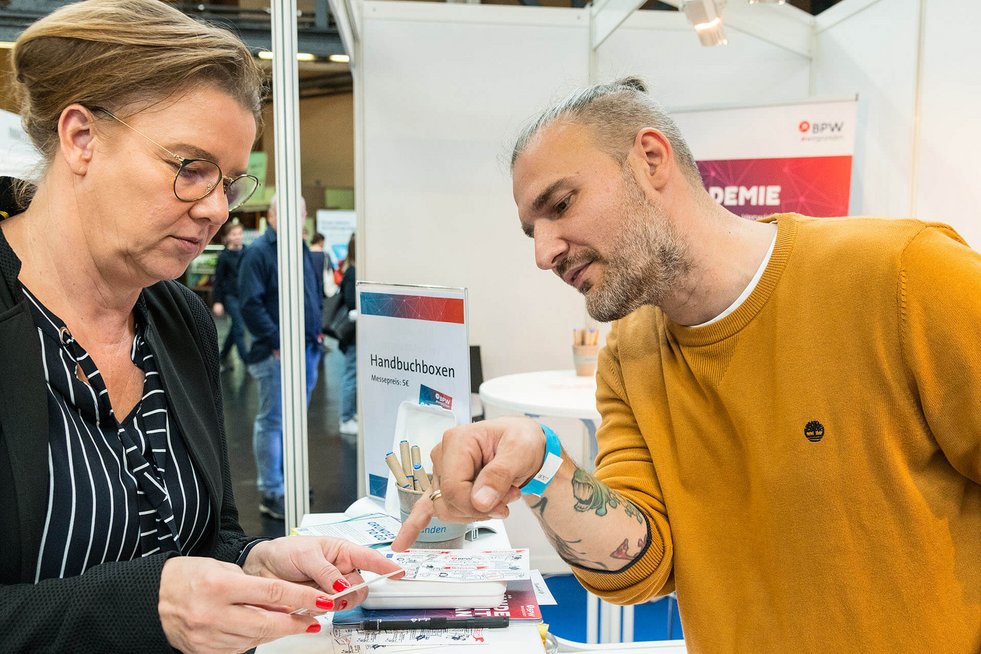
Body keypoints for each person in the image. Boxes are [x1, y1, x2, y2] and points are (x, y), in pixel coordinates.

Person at [395, 77, 981, 651]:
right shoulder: (629, 352)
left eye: (562, 204)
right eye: (533, 229)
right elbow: (640, 563)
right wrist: (541, 465)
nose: (544, 253)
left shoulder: (905, 275)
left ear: (651, 160)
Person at [0, 2, 401, 652]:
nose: (215, 208)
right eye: (189, 167)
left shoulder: (175, 318)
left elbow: (206, 532)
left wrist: (251, 563)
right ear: (81, 138)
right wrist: (145, 605)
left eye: (230, 181)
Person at [239, 194, 325, 520]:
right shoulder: (259, 253)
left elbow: (311, 292)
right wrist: (277, 340)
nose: (297, 218)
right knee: (273, 422)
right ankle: (272, 491)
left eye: (301, 213)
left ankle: (290, 483)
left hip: (306, 349)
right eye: (290, 212)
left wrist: (317, 332)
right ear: (273, 215)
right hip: (277, 354)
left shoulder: (299, 247)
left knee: (293, 422)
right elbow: (250, 304)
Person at [212, 221, 248, 370]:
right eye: (234, 234)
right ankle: (248, 362)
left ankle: (220, 358)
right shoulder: (224, 257)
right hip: (230, 296)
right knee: (239, 327)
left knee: (235, 328)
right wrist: (217, 301)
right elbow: (218, 280)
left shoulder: (248, 252)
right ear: (227, 237)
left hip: (245, 296)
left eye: (240, 233)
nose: (238, 236)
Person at [338, 232, 358, 436]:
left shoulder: (351, 270)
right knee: (351, 375)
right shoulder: (352, 272)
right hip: (352, 335)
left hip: (354, 335)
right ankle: (345, 417)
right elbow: (352, 303)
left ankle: (350, 413)